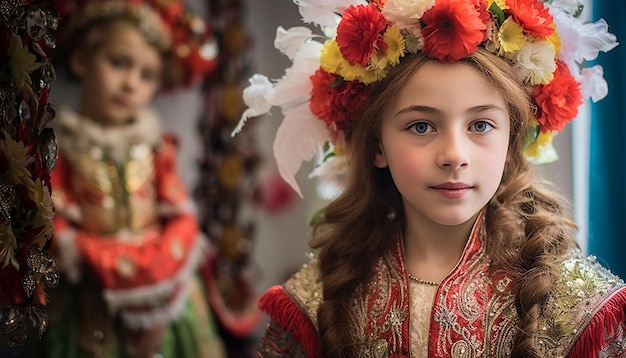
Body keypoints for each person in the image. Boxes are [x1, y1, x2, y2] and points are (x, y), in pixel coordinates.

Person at [233, 0, 624, 356]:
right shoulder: (320, 295)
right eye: (421, 127)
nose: (454, 155)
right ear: (378, 146)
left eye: (481, 124)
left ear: (510, 141)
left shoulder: (577, 307)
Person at [28, 1, 225, 357]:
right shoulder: (58, 150)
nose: (131, 83)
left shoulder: (157, 149)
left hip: (165, 296)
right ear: (82, 61)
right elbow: (52, 227)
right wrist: (104, 260)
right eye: (119, 63)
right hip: (90, 300)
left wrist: (159, 272)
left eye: (147, 74)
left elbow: (181, 217)